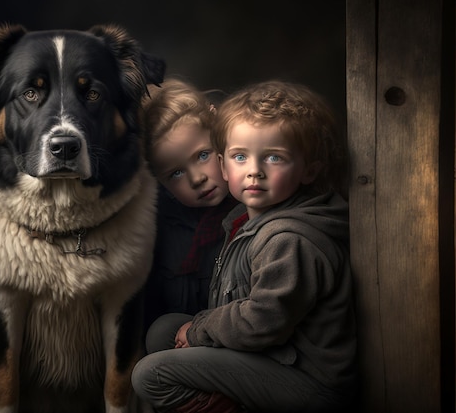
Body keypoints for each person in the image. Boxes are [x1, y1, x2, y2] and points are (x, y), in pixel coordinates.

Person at [132, 80, 357, 413]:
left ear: (309, 170)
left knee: (150, 375)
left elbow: (263, 321)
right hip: (272, 354)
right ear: (226, 164)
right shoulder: (243, 219)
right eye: (240, 157)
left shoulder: (288, 239)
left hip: (306, 380)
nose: (254, 172)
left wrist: (199, 330)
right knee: (163, 331)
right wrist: (197, 329)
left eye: (274, 159)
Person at [141, 78, 238, 331]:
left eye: (202, 155)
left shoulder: (257, 202)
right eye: (176, 173)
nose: (197, 179)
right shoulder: (159, 227)